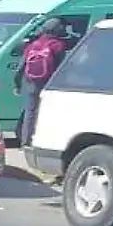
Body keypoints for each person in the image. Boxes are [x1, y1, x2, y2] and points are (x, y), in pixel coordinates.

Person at [20, 17, 70, 146]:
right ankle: (45, 141)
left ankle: (25, 141)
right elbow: (61, 67)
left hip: (31, 82)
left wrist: (17, 83)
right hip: (50, 83)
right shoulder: (57, 45)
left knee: (30, 112)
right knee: (48, 112)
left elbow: (22, 66)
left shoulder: (33, 45)